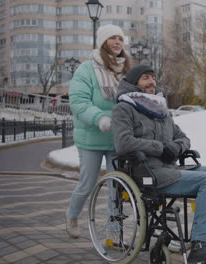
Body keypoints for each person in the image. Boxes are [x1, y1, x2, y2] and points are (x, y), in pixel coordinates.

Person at [112, 64, 206, 264]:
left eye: (153, 77)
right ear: (133, 83)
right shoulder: (124, 108)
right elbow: (123, 143)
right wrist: (160, 148)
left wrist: (176, 147)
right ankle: (201, 245)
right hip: (148, 172)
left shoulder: (160, 109)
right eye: (145, 78)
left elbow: (183, 138)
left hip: (170, 168)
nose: (152, 82)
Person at [66, 24, 132, 239]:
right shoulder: (86, 69)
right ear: (103, 42)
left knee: (116, 188)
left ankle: (113, 235)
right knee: (87, 183)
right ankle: (72, 215)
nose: (117, 42)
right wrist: (99, 118)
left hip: (117, 138)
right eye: (112, 38)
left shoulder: (127, 70)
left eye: (120, 39)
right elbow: (78, 101)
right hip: (91, 137)